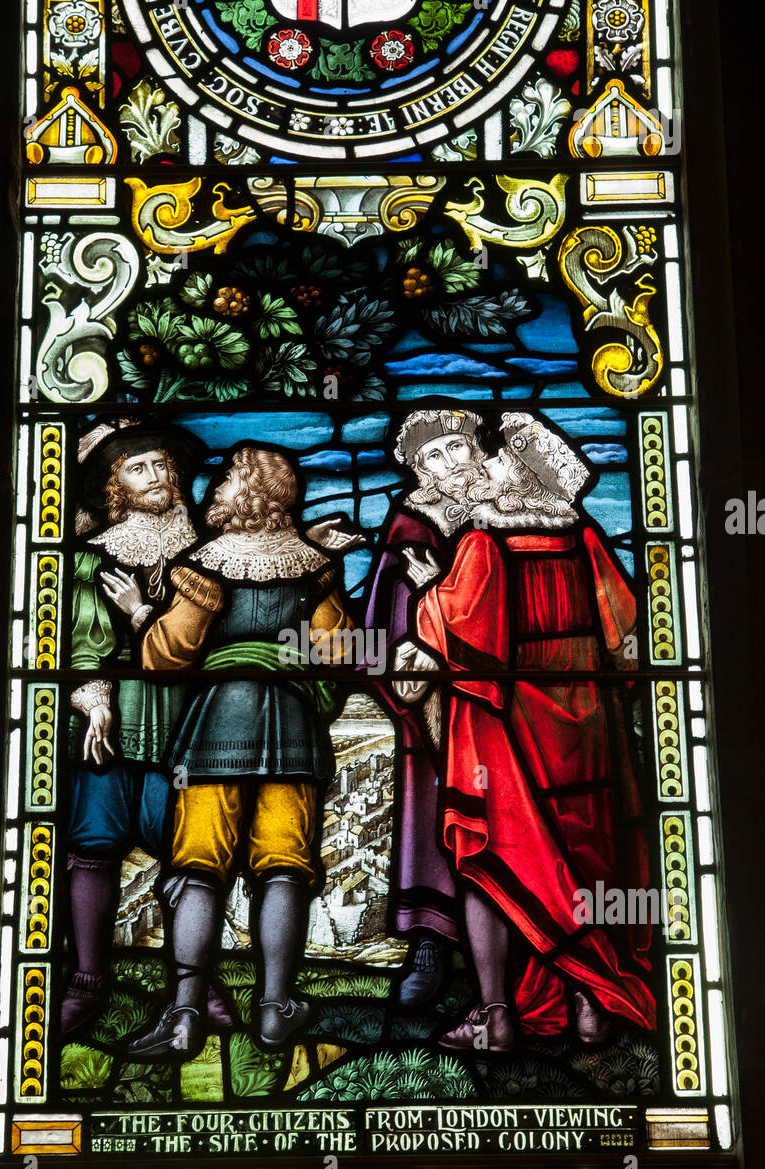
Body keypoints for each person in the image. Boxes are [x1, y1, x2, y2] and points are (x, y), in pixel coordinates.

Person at [405, 412, 656, 1051]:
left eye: (488, 458)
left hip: (507, 722)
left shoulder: (485, 542)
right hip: (585, 719)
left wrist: (427, 591)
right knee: (581, 858)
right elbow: (624, 632)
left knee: (493, 857)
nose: (478, 467)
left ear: (513, 474)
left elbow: (461, 624)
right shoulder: (582, 537)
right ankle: (589, 1004)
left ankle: (496, 1016)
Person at [120, 445, 355, 1059]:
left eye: (224, 478)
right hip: (294, 731)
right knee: (284, 865)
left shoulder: (206, 567)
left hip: (216, 726)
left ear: (238, 492)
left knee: (198, 867)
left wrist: (144, 614)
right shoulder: (315, 569)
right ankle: (276, 1009)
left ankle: (184, 1014)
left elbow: (164, 655)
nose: (216, 487)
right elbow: (339, 654)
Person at [61, 420, 232, 1036]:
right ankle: (87, 976)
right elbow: (80, 636)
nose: (155, 477)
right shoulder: (94, 556)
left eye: (162, 465)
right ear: (115, 484)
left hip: (191, 721)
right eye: (138, 468)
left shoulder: (213, 547)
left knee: (188, 851)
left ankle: (194, 978)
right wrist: (95, 698)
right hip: (115, 718)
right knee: (92, 847)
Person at [362, 408, 491, 1009]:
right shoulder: (412, 524)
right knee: (433, 813)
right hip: (436, 695)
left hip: (500, 695)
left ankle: (524, 950)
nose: (449, 463)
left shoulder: (511, 511)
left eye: (457, 448)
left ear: (476, 450)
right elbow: (384, 620)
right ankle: (431, 944)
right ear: (417, 470)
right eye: (432, 457)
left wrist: (447, 589)